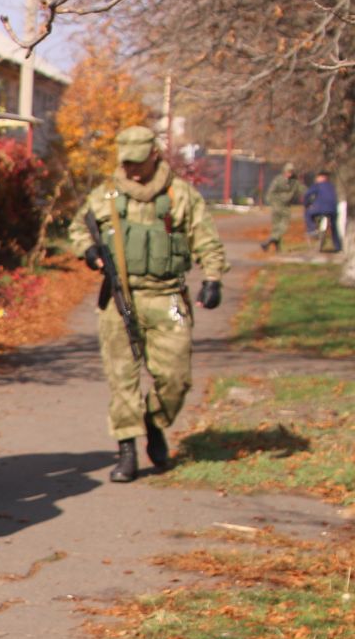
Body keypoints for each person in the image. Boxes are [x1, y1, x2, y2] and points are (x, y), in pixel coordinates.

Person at [67, 124, 226, 482]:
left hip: (167, 297)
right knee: (121, 378)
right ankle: (126, 449)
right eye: (126, 162)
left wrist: (212, 279)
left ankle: (154, 424)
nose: (131, 169)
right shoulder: (105, 195)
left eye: (138, 162)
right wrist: (89, 250)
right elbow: (78, 228)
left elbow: (206, 239)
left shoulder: (181, 195)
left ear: (155, 155)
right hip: (120, 298)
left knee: (176, 378)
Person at [262, 162, 305, 252]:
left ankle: (270, 241)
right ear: (284, 171)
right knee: (276, 227)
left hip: (286, 206)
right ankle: (276, 246)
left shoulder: (294, 182)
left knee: (284, 226)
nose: (289, 173)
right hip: (277, 205)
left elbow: (302, 190)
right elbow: (271, 192)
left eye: (291, 171)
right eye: (288, 171)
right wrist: (271, 203)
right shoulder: (278, 180)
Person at [304, 170, 343, 252]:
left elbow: (307, 195)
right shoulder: (331, 186)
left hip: (320, 209)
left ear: (321, 177)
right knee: (334, 227)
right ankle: (338, 246)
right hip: (333, 209)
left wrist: (307, 204)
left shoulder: (317, 185)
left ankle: (312, 229)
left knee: (307, 213)